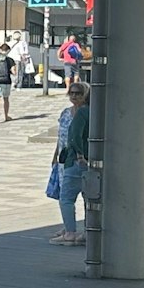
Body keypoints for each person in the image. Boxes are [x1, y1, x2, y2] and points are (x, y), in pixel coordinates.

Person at [51, 81, 89, 245]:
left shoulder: (84, 113)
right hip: (64, 157)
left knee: (67, 197)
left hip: (76, 159)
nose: (74, 96)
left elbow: (74, 137)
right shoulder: (66, 113)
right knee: (85, 196)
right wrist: (55, 155)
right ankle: (70, 227)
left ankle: (70, 232)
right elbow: (62, 136)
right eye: (72, 93)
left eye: (78, 93)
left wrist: (80, 154)